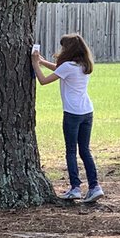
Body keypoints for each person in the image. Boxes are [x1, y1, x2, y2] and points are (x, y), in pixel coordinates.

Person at [32, 34, 104, 203]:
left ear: (69, 49)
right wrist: (43, 62)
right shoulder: (83, 65)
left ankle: (75, 188)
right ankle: (94, 187)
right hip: (87, 111)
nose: (61, 50)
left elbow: (43, 80)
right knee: (85, 150)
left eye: (64, 47)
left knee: (71, 151)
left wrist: (36, 64)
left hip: (72, 113)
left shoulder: (67, 67)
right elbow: (60, 71)